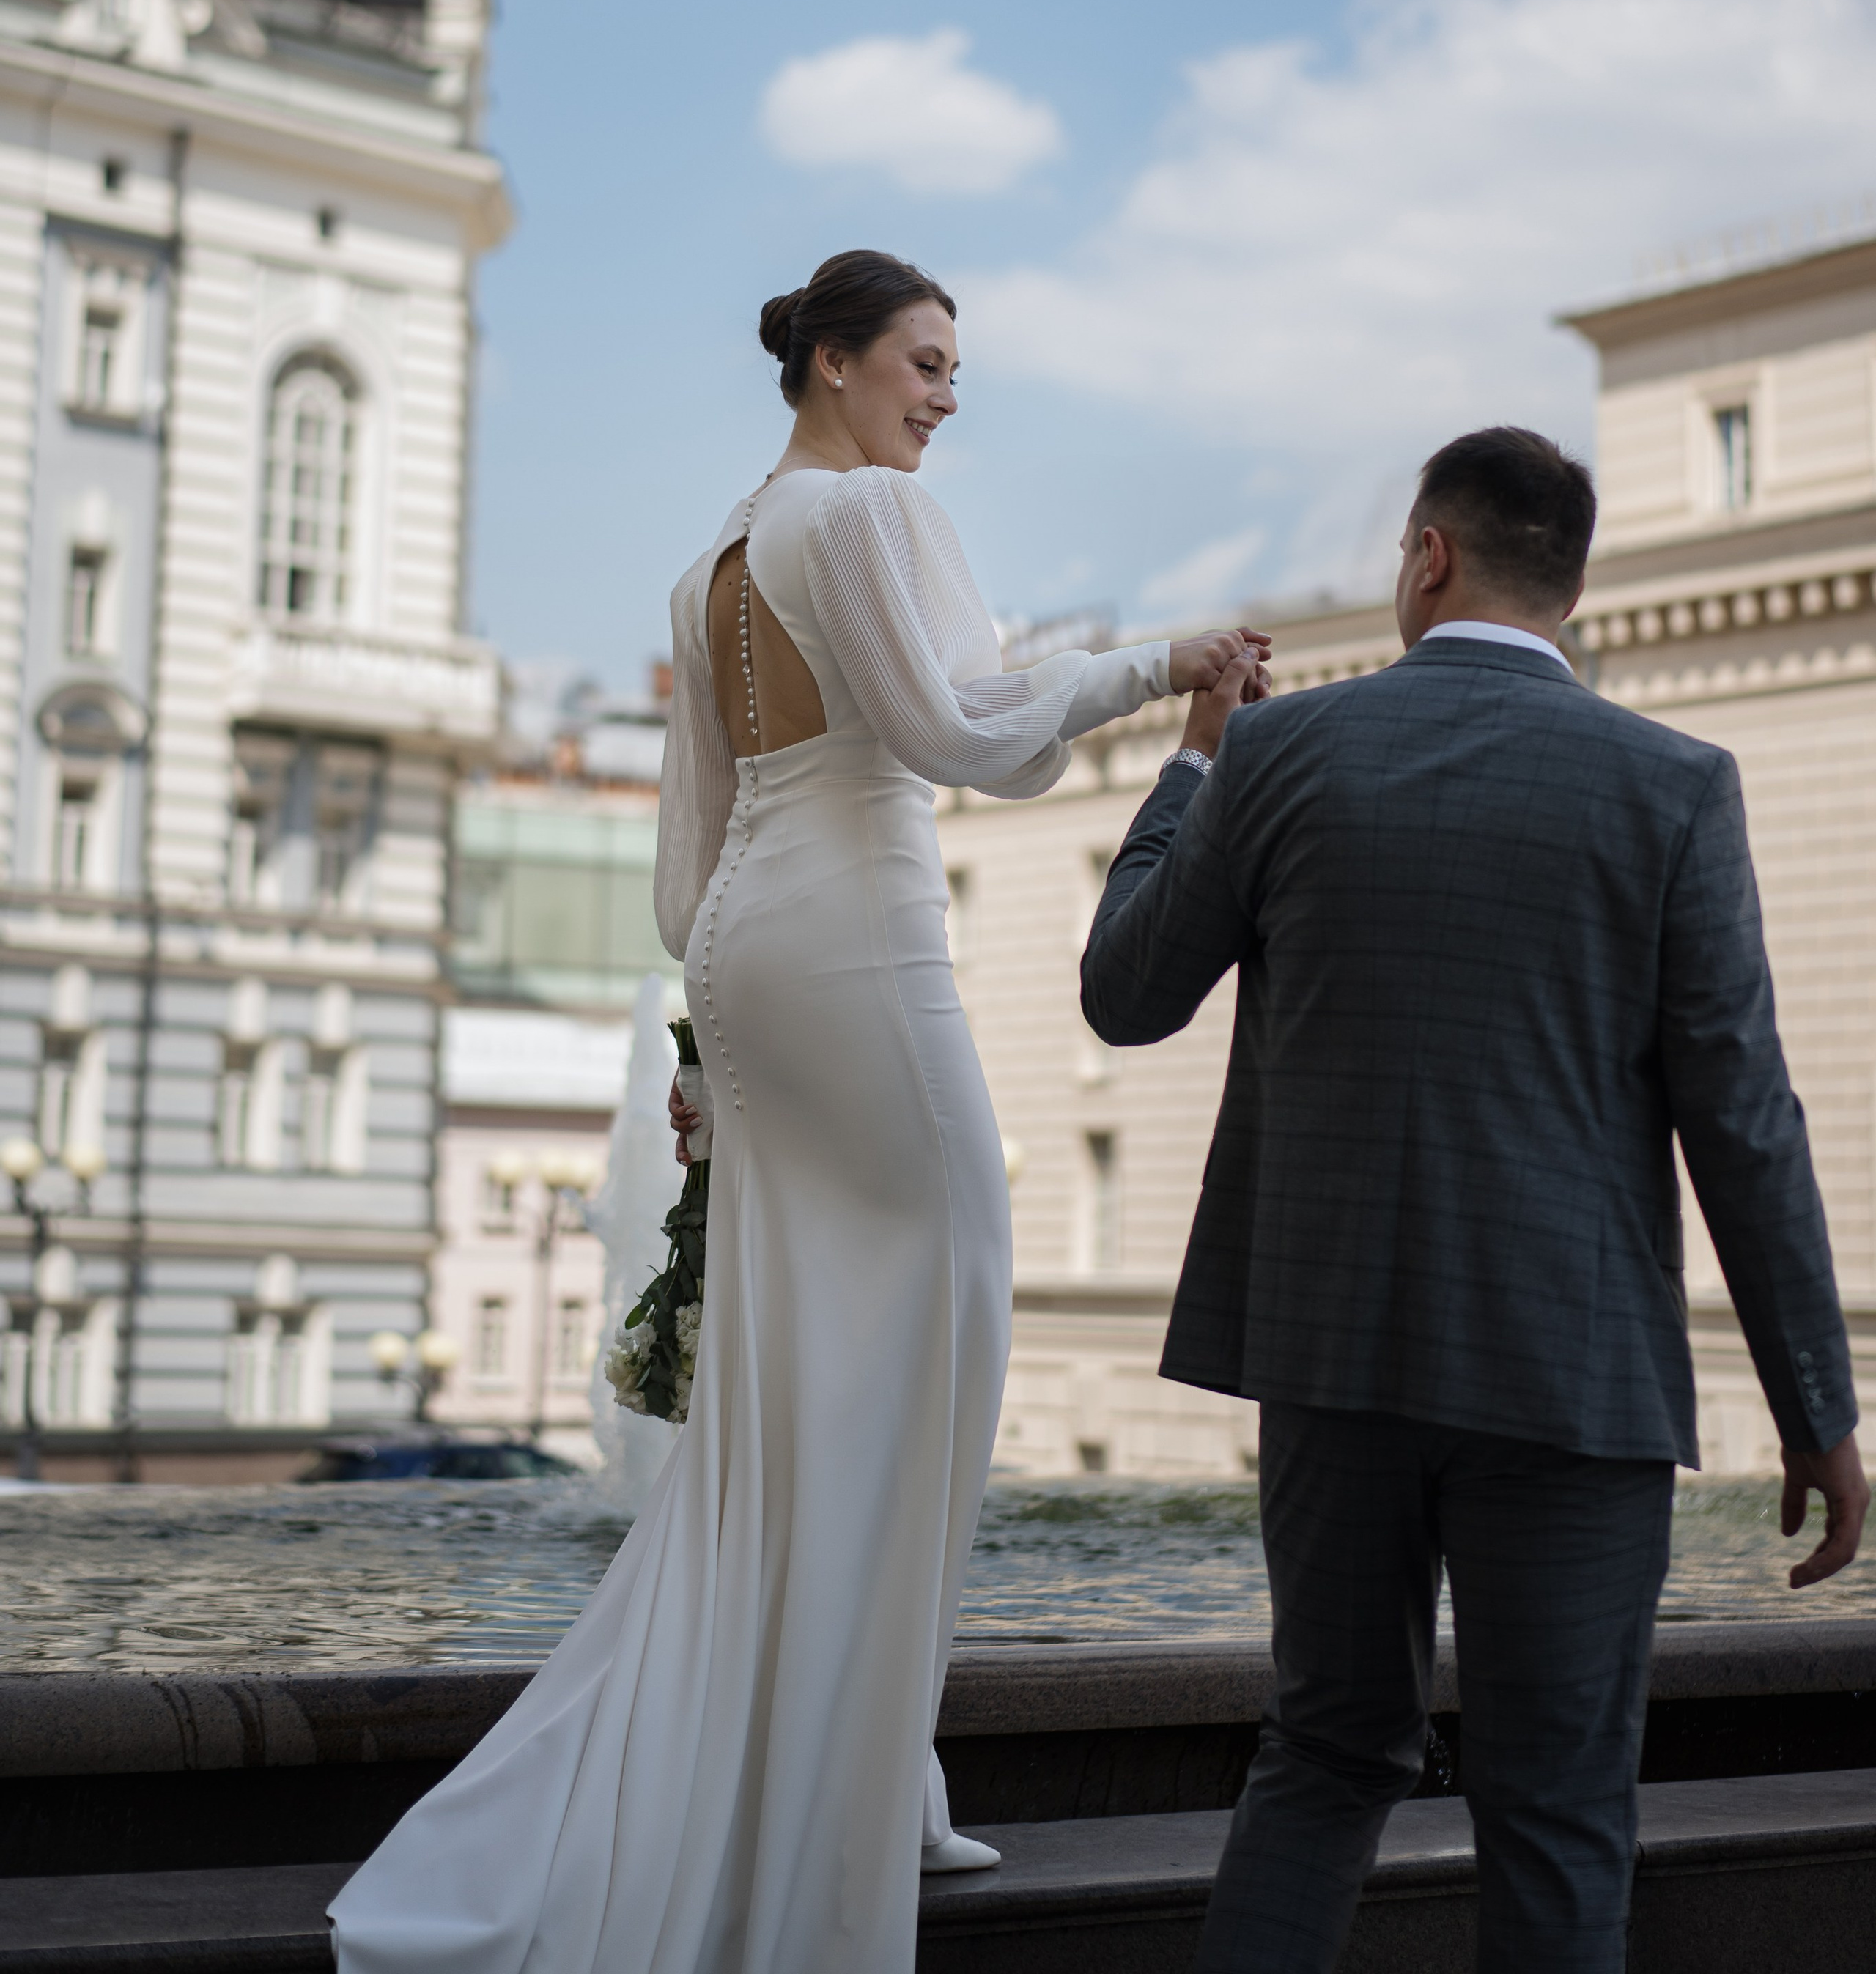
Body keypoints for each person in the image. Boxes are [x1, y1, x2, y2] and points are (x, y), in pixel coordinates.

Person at [330, 248, 1266, 1974]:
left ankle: (864, 1765)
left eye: (950, 368)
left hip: (753, 954)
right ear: (832, 364)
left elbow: (684, 854)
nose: (943, 393)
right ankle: (848, 1794)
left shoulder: (713, 561)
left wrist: (698, 1061)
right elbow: (957, 734)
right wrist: (1155, 666)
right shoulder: (865, 522)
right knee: (945, 1316)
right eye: (921, 361)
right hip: (854, 936)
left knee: (797, 1373)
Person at [1079, 424, 1867, 1974]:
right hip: (1570, 1379)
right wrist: (1816, 1409)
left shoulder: (1284, 750)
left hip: (1328, 1357)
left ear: (1426, 556)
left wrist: (1188, 757)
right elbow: (1742, 1117)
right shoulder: (1675, 786)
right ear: (1567, 590)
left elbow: (1121, 995)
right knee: (1560, 1807)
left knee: (1321, 1752)